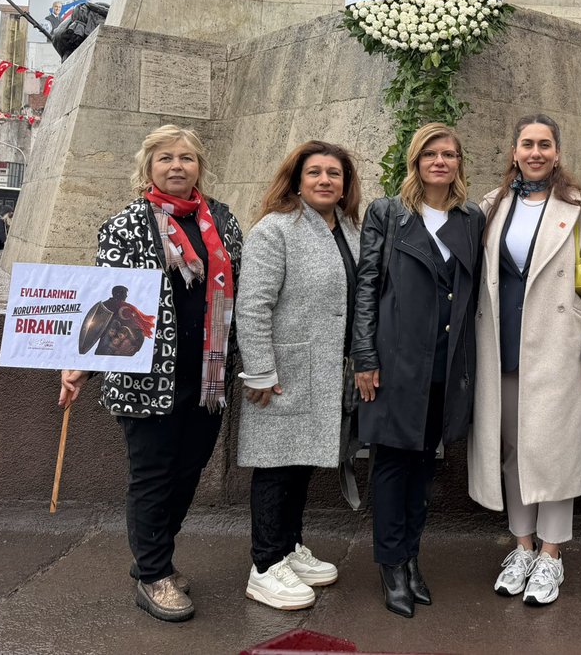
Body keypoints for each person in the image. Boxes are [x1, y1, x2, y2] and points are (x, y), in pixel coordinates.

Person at [58, 125, 242, 622]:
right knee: (152, 475)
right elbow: (106, 301)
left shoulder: (222, 220)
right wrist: (80, 366)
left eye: (186, 157)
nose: (177, 165)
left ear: (200, 166)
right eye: (166, 158)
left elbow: (239, 291)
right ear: (149, 166)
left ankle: (152, 557)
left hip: (206, 375)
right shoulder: (125, 224)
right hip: (146, 374)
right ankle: (155, 574)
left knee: (188, 471)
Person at [467, 113, 581, 608]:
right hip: (501, 345)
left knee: (553, 450)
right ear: (513, 151)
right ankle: (522, 547)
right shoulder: (491, 205)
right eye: (527, 143)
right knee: (511, 448)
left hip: (559, 346)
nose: (535, 152)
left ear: (557, 151)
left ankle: (551, 554)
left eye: (544, 144)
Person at [353, 123, 485, 618]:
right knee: (391, 465)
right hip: (394, 362)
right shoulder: (389, 213)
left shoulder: (469, 218)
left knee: (425, 465)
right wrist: (364, 357)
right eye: (431, 153)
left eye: (449, 153)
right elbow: (367, 286)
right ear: (416, 159)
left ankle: (411, 558)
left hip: (445, 366)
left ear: (458, 163)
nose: (440, 161)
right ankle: (391, 564)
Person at [236, 141, 363, 610]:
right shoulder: (276, 230)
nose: (326, 180)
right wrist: (260, 371)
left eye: (335, 173)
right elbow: (253, 304)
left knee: (301, 463)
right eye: (315, 172)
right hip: (283, 372)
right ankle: (265, 566)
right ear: (297, 180)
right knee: (276, 467)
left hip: (326, 373)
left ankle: (289, 548)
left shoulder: (349, 229)